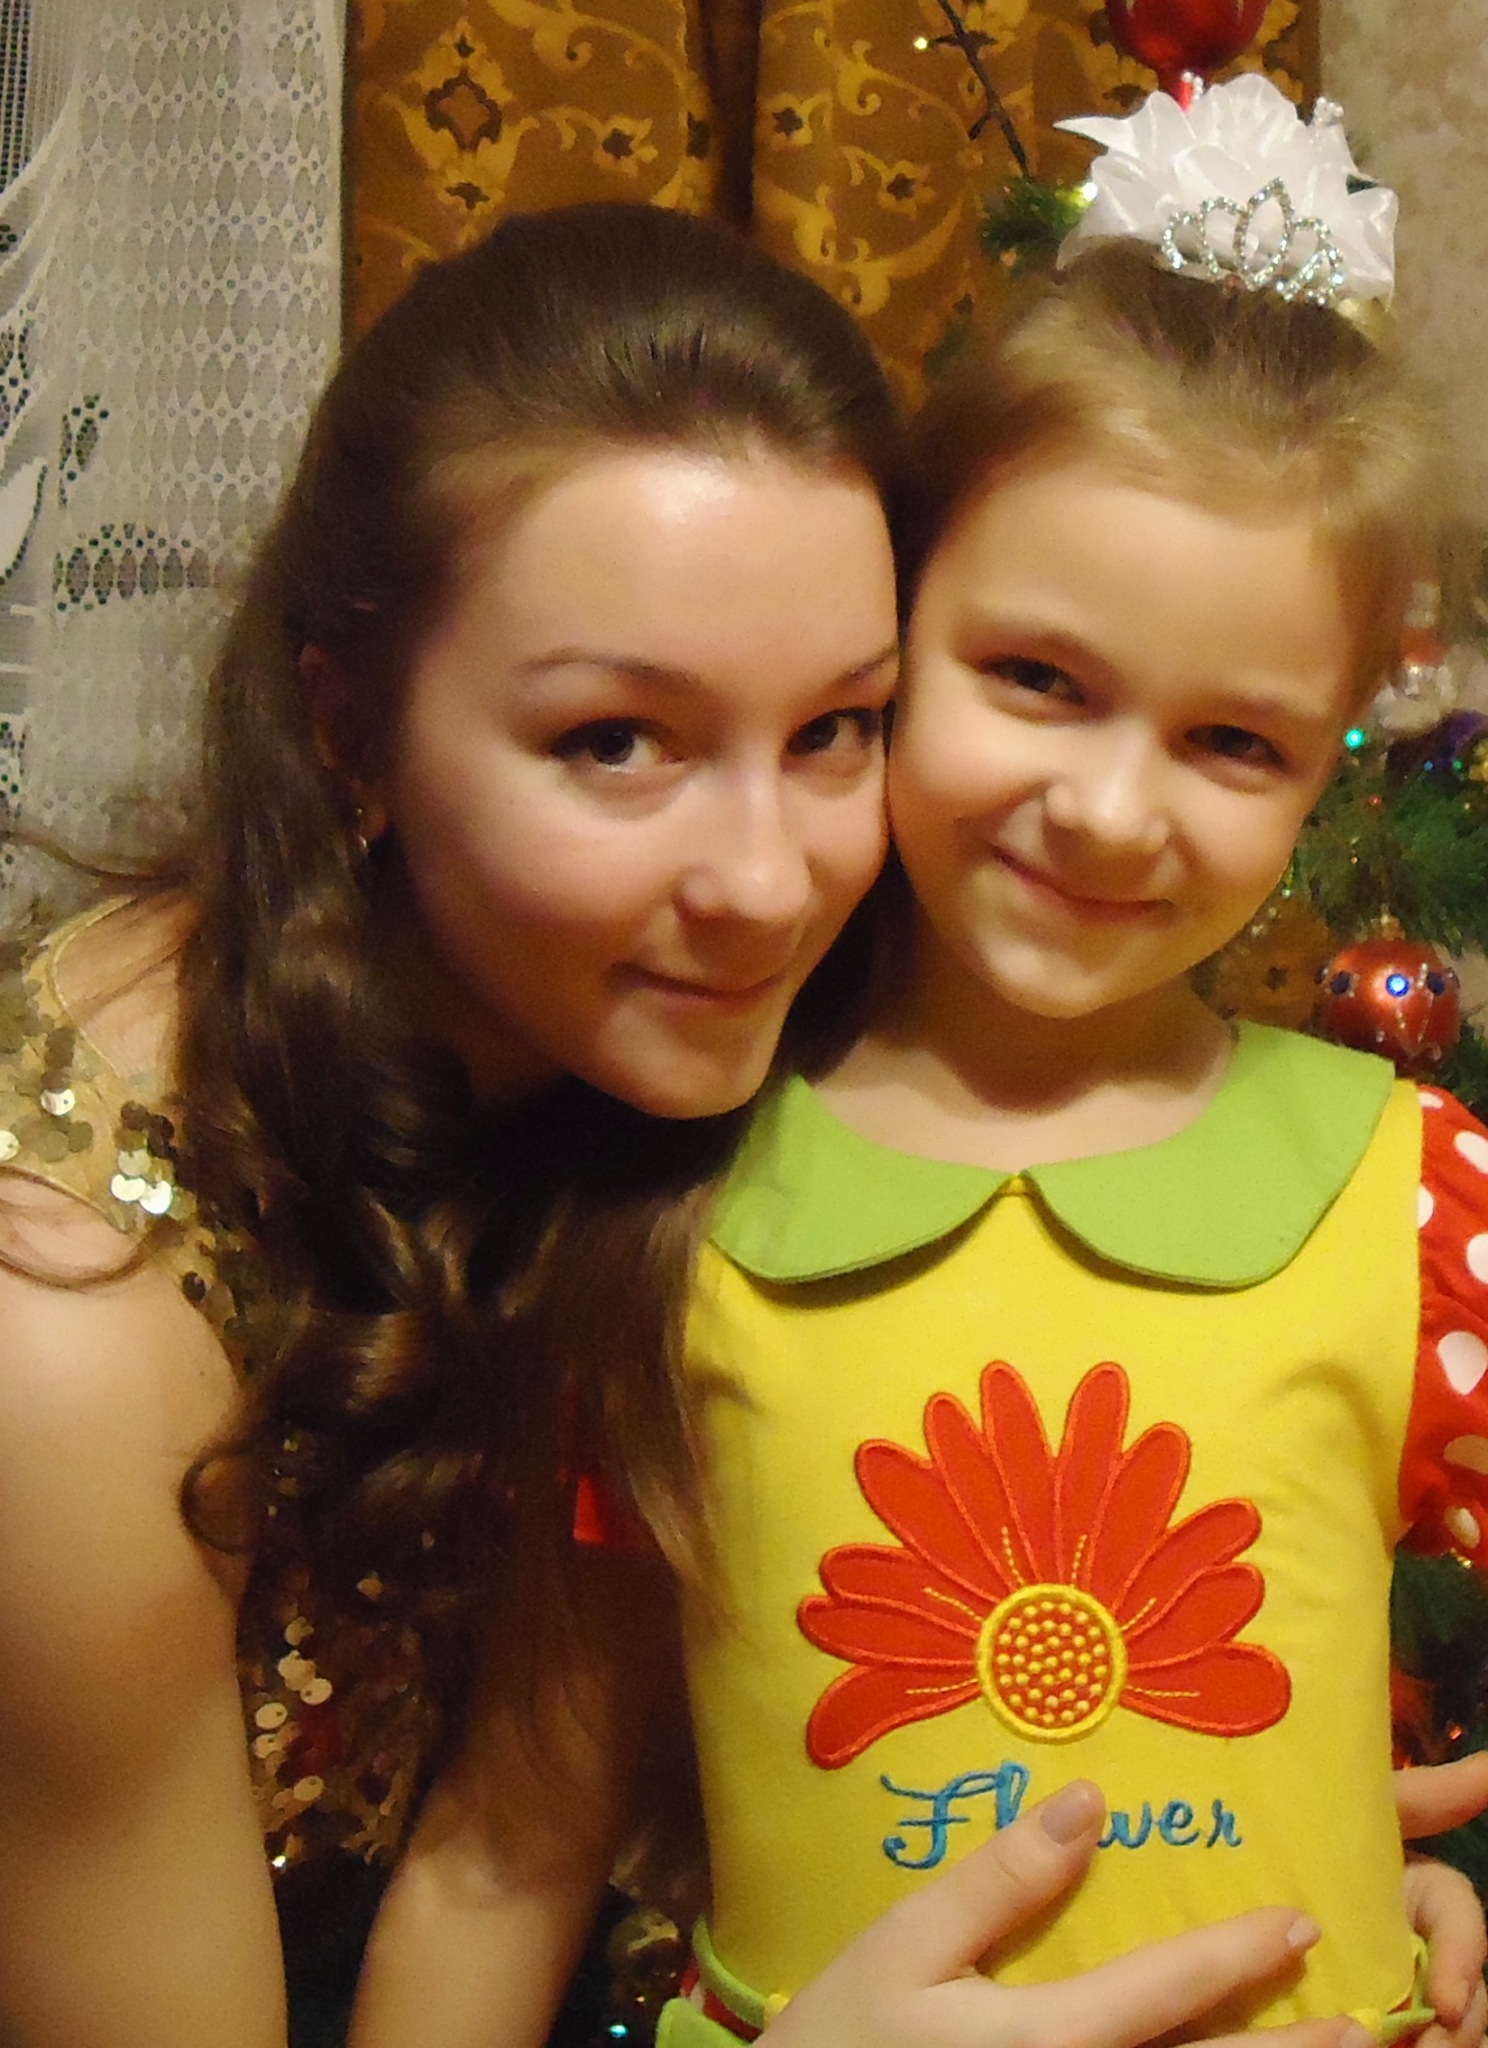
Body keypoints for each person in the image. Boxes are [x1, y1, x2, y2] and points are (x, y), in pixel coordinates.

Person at [0, 196, 1478, 2048]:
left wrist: (1287, 1824)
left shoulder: (717, 1069)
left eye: (838, 725)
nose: (772, 883)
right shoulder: (69, 1333)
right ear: (351, 732)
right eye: (615, 741)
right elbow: (511, 1840)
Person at [407, 87, 1488, 2048]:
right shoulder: (667, 1190)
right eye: (1039, 680)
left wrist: (1370, 1846)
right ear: (898, 628)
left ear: (1331, 757)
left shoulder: (1418, 1199)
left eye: (1232, 741)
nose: (1110, 810)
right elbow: (512, 1843)